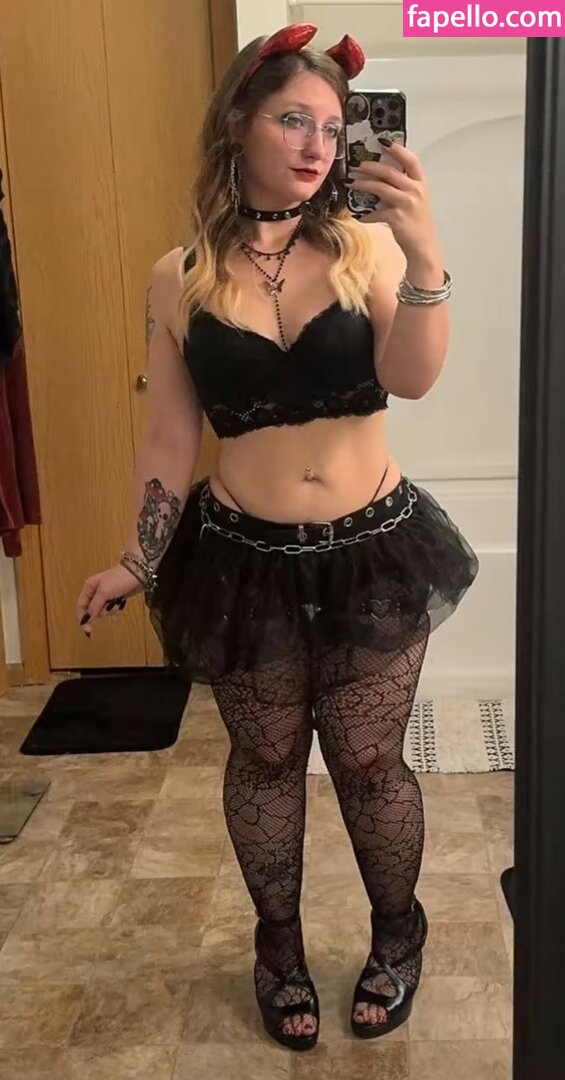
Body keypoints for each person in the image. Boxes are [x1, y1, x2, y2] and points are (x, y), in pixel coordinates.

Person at [76, 23, 478, 1053]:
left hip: (373, 548)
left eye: (332, 128)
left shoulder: (366, 246)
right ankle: (278, 951)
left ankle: (398, 933)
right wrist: (137, 558)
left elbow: (413, 377)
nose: (315, 146)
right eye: (294, 120)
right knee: (262, 761)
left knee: (368, 763)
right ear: (238, 123)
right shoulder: (179, 276)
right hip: (242, 559)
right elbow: (169, 435)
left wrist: (425, 252)